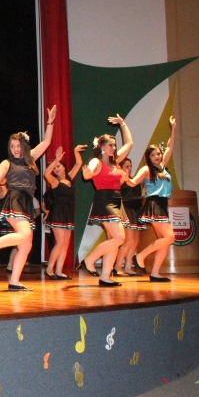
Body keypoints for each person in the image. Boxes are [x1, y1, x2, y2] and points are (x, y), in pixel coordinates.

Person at [0, 106, 56, 291]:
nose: (15, 149)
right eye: (12, 146)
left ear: (24, 146)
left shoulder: (30, 159)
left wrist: (50, 122)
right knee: (24, 235)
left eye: (17, 146)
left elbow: (47, 142)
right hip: (14, 199)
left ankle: (14, 282)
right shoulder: (7, 163)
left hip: (27, 201)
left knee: (26, 244)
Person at [79, 114, 134, 286]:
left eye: (115, 145)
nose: (114, 147)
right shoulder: (97, 161)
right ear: (102, 147)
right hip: (104, 200)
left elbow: (129, 144)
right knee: (119, 237)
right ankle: (89, 260)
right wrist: (88, 174)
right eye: (110, 145)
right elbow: (89, 172)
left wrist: (123, 124)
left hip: (117, 200)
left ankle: (105, 277)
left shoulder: (115, 162)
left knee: (113, 240)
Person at [126, 117, 177, 282]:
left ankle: (155, 273)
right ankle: (140, 256)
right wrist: (123, 175)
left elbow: (170, 146)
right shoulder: (146, 169)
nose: (157, 156)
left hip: (163, 204)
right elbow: (133, 182)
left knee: (165, 240)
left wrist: (173, 128)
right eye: (153, 155)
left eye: (158, 154)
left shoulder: (162, 167)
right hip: (154, 203)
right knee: (170, 237)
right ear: (148, 157)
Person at [42, 144, 87, 279]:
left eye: (58, 166)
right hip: (57, 213)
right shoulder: (54, 181)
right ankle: (49, 269)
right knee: (60, 242)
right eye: (55, 167)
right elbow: (46, 173)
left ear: (64, 167)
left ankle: (59, 271)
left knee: (65, 244)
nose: (56, 169)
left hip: (67, 212)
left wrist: (75, 151)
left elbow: (78, 164)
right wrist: (56, 160)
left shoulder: (69, 177)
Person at [114, 158, 144, 276]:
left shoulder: (134, 179)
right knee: (129, 240)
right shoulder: (119, 180)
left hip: (137, 209)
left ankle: (128, 266)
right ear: (120, 167)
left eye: (130, 166)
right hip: (127, 209)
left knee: (135, 241)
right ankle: (117, 266)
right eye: (127, 166)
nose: (130, 168)